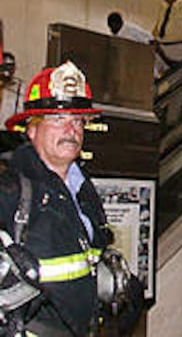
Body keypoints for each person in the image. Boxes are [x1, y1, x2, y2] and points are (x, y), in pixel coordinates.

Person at [0, 61, 112, 336]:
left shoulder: (84, 190)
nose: (71, 130)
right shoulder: (8, 188)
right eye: (57, 119)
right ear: (31, 128)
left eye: (77, 121)